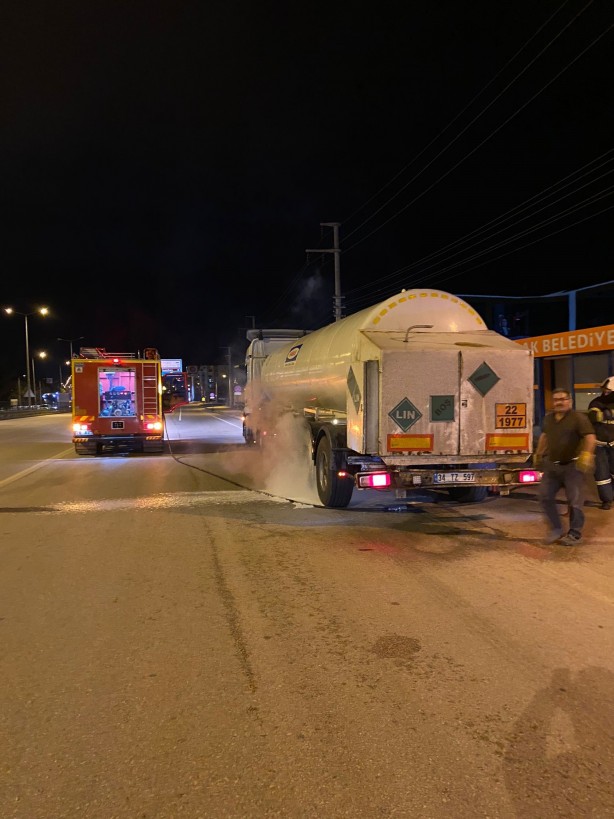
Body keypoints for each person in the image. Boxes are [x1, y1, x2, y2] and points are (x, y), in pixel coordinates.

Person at [533, 388, 596, 546]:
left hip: (572, 467)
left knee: (575, 501)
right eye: (556, 399)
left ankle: (574, 533)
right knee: (545, 497)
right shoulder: (548, 419)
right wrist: (539, 454)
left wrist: (587, 454)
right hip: (552, 466)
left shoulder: (578, 418)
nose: (559, 402)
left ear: (570, 401)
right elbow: (545, 436)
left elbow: (590, 437)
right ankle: (556, 529)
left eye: (562, 399)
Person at [587, 376, 614, 510]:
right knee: (602, 475)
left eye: (608, 391)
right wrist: (607, 414)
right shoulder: (596, 402)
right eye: (604, 390)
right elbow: (593, 416)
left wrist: (609, 413)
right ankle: (607, 500)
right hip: (600, 445)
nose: (605, 393)